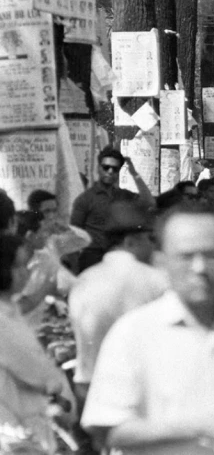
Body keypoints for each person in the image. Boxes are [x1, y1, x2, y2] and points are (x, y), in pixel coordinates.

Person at [80, 203, 214, 454]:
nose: (200, 268)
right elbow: (111, 429)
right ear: (161, 262)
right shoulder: (132, 334)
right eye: (186, 256)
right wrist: (201, 428)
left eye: (211, 256)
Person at [69, 201, 167, 399]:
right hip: (138, 395)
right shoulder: (155, 280)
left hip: (89, 392)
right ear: (130, 241)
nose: (153, 246)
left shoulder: (83, 280)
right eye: (150, 239)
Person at [0, 233, 74, 452]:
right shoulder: (3, 321)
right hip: (16, 426)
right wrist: (56, 384)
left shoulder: (10, 311)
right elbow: (37, 372)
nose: (26, 272)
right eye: (19, 265)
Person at [70, 146, 155, 272]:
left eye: (115, 169)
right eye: (106, 167)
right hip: (93, 257)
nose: (110, 171)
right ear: (99, 168)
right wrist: (74, 267)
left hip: (119, 255)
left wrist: (134, 173)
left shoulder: (123, 195)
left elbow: (149, 202)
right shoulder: (86, 199)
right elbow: (74, 233)